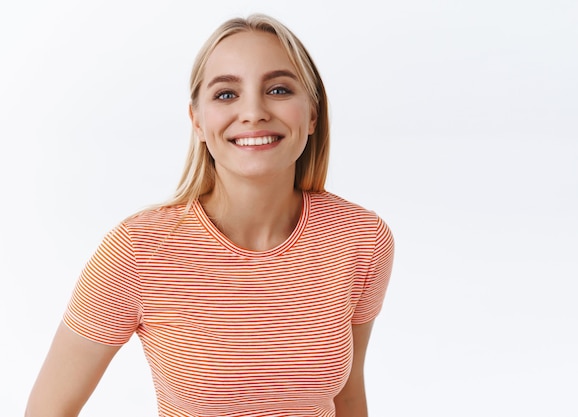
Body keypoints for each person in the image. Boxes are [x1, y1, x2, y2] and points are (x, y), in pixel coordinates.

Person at [25, 13, 394, 417]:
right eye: (225, 94)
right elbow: (49, 408)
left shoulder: (361, 239)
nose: (253, 112)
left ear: (311, 115)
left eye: (278, 89)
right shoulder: (138, 251)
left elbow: (349, 396)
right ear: (197, 121)